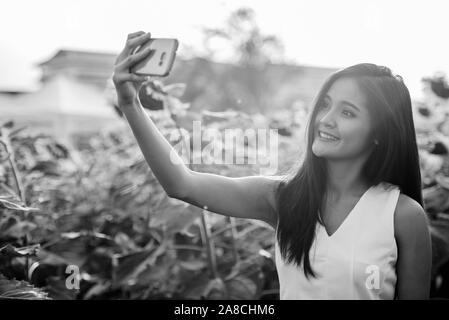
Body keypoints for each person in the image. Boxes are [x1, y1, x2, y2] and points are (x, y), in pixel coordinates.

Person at [112, 31, 432, 300]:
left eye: (347, 112)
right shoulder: (282, 197)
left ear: (380, 133)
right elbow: (181, 183)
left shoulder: (402, 216)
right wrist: (131, 103)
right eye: (325, 104)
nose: (325, 119)